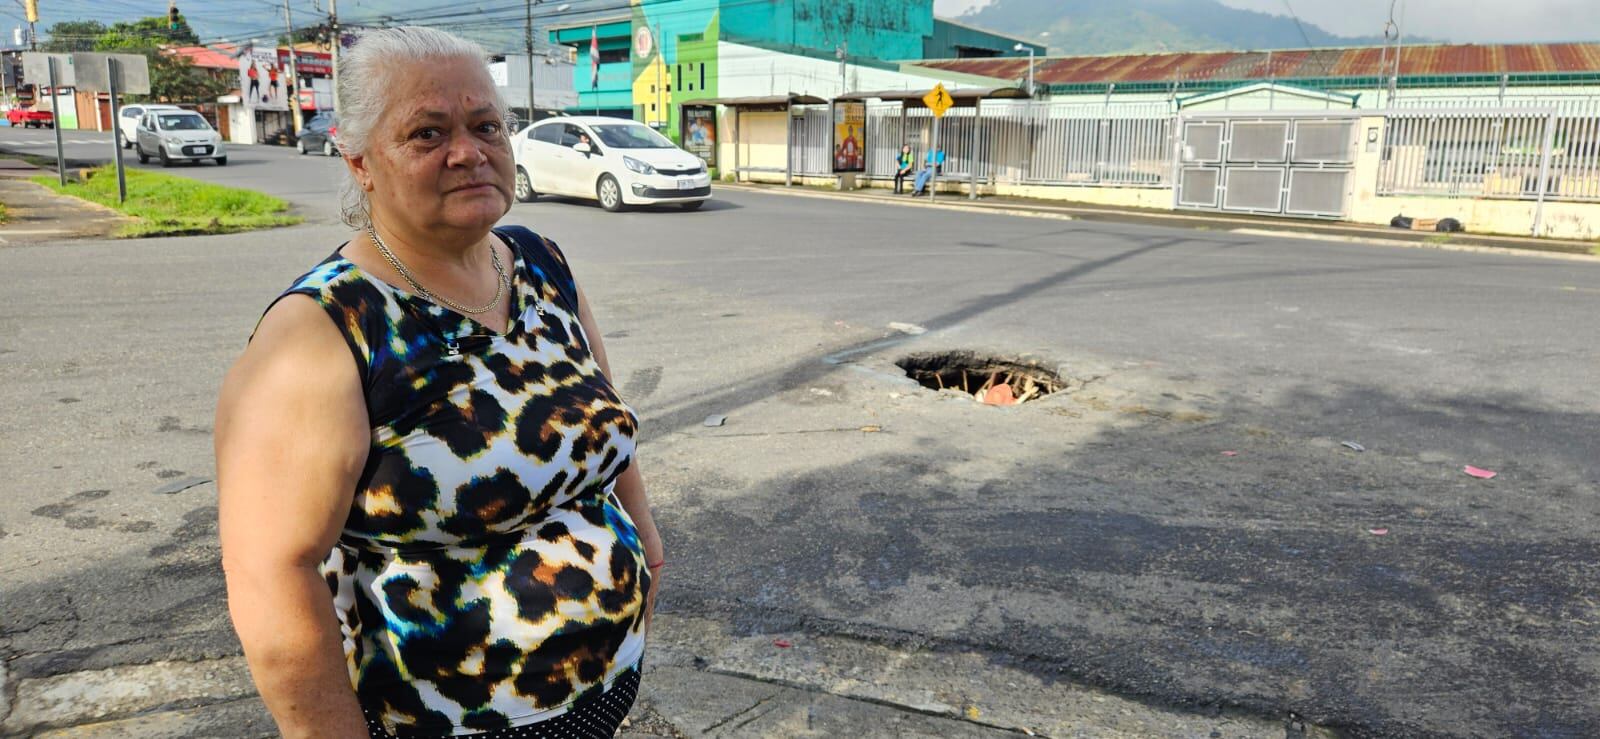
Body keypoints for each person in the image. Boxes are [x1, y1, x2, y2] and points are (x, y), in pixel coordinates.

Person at [216, 26, 662, 739]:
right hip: (447, 718)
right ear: (360, 161)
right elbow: (271, 571)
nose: (469, 151)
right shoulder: (324, 329)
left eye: (487, 125)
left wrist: (646, 537)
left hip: (602, 686)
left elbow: (605, 423)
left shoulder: (541, 264)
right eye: (428, 133)